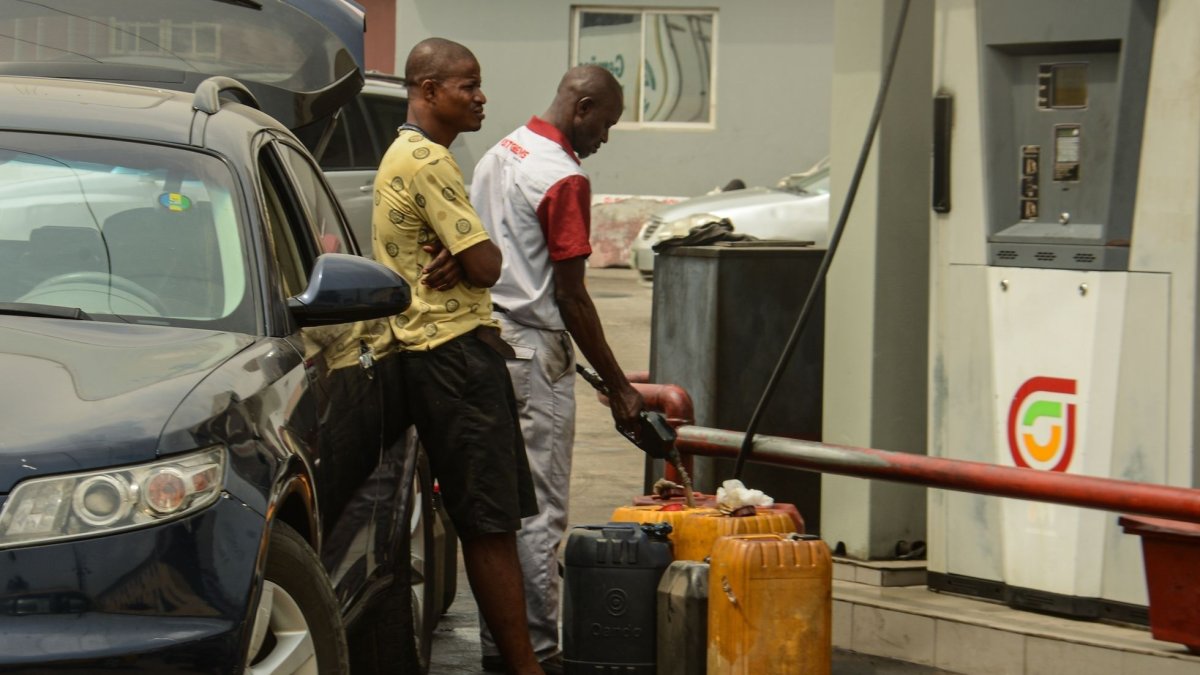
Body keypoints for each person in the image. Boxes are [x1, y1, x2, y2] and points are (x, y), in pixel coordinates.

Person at [371, 37, 545, 675]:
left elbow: (469, 260)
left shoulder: (404, 155)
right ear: (427, 90)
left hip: (436, 355)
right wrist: (475, 262)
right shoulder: (428, 163)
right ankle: (524, 667)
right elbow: (487, 263)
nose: (481, 96)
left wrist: (469, 261)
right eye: (467, 85)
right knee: (489, 523)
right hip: (453, 358)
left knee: (483, 516)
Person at [470, 65, 646, 672]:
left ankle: (503, 646)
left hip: (487, 342)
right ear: (584, 105)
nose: (605, 137)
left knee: (496, 506)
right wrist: (621, 387)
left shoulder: (502, 151)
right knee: (541, 510)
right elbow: (572, 297)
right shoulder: (563, 177)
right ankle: (538, 652)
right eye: (607, 122)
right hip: (535, 351)